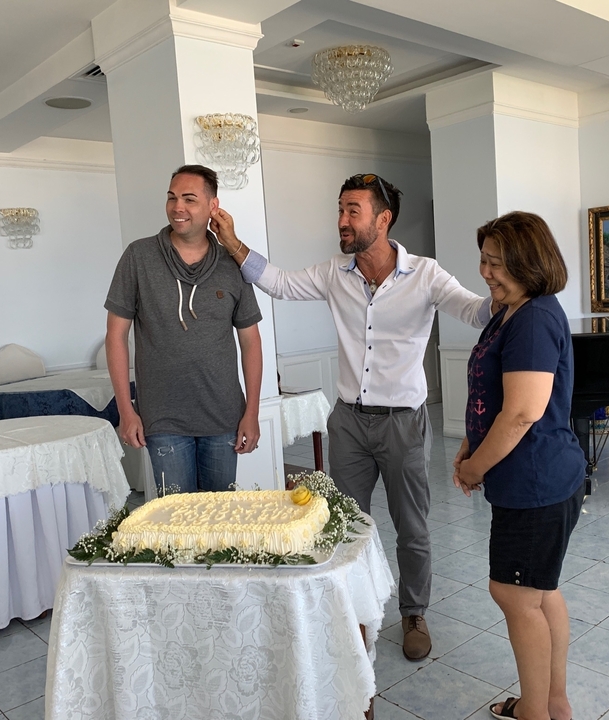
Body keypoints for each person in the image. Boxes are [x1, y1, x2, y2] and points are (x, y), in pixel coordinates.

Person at [209, 173, 495, 660]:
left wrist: (511, 290)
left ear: (383, 220)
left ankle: (413, 614)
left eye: (352, 211)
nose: (342, 220)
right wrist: (233, 243)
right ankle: (348, 615)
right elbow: (277, 282)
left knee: (413, 527)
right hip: (347, 422)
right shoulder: (332, 273)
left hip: (403, 423)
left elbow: (474, 312)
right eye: (340, 209)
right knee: (342, 524)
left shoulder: (425, 274)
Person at [453, 212, 583, 720]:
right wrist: (470, 443)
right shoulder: (512, 309)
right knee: (540, 590)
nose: (485, 272)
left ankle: (535, 712)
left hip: (535, 480)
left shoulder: (531, 318)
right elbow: (493, 394)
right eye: (482, 259)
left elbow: (524, 412)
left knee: (513, 593)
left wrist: (473, 469)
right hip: (539, 476)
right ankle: (551, 703)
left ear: (529, 264)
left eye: (495, 263)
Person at [104, 164, 263, 495]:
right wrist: (125, 409)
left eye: (190, 199)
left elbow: (251, 342)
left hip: (224, 418)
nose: (178, 207)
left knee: (221, 522)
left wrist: (252, 412)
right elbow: (116, 336)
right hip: (163, 420)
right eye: (172, 197)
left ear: (212, 206)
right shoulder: (139, 256)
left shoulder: (231, 263)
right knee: (176, 525)